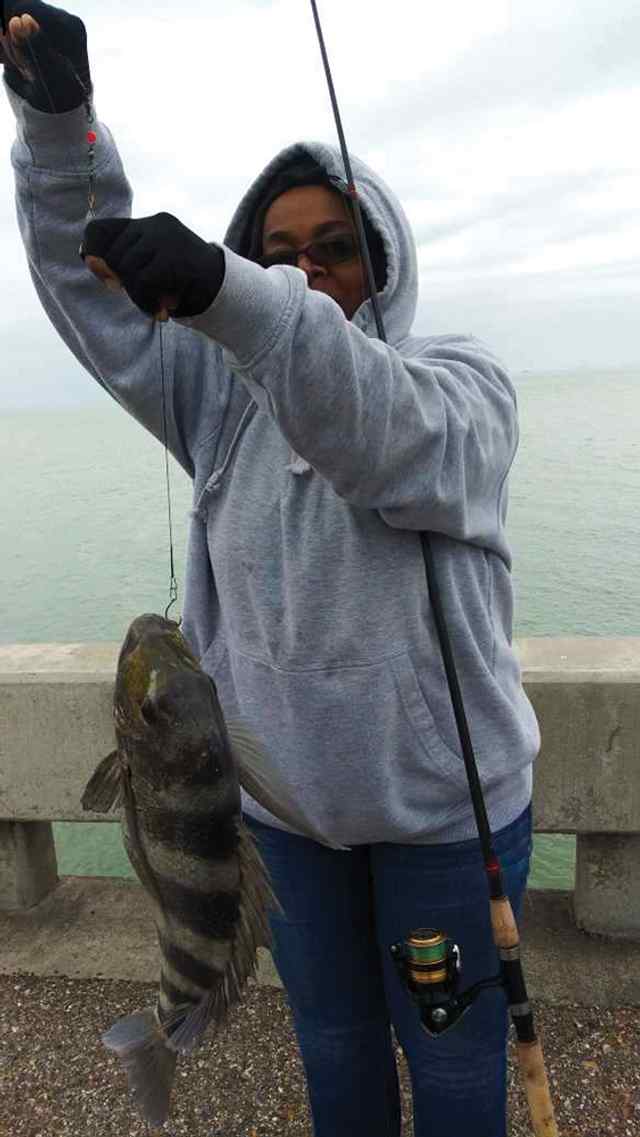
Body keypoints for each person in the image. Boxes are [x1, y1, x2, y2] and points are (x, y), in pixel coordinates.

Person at [1, 6, 541, 1136]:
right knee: (333, 1047)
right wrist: (60, 132)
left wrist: (233, 295)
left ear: (382, 263)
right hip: (281, 819)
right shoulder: (218, 398)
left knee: (453, 1071)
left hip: (444, 818)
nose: (304, 269)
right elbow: (99, 288)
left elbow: (371, 425)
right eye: (279, 251)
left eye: (334, 247)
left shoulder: (460, 389)